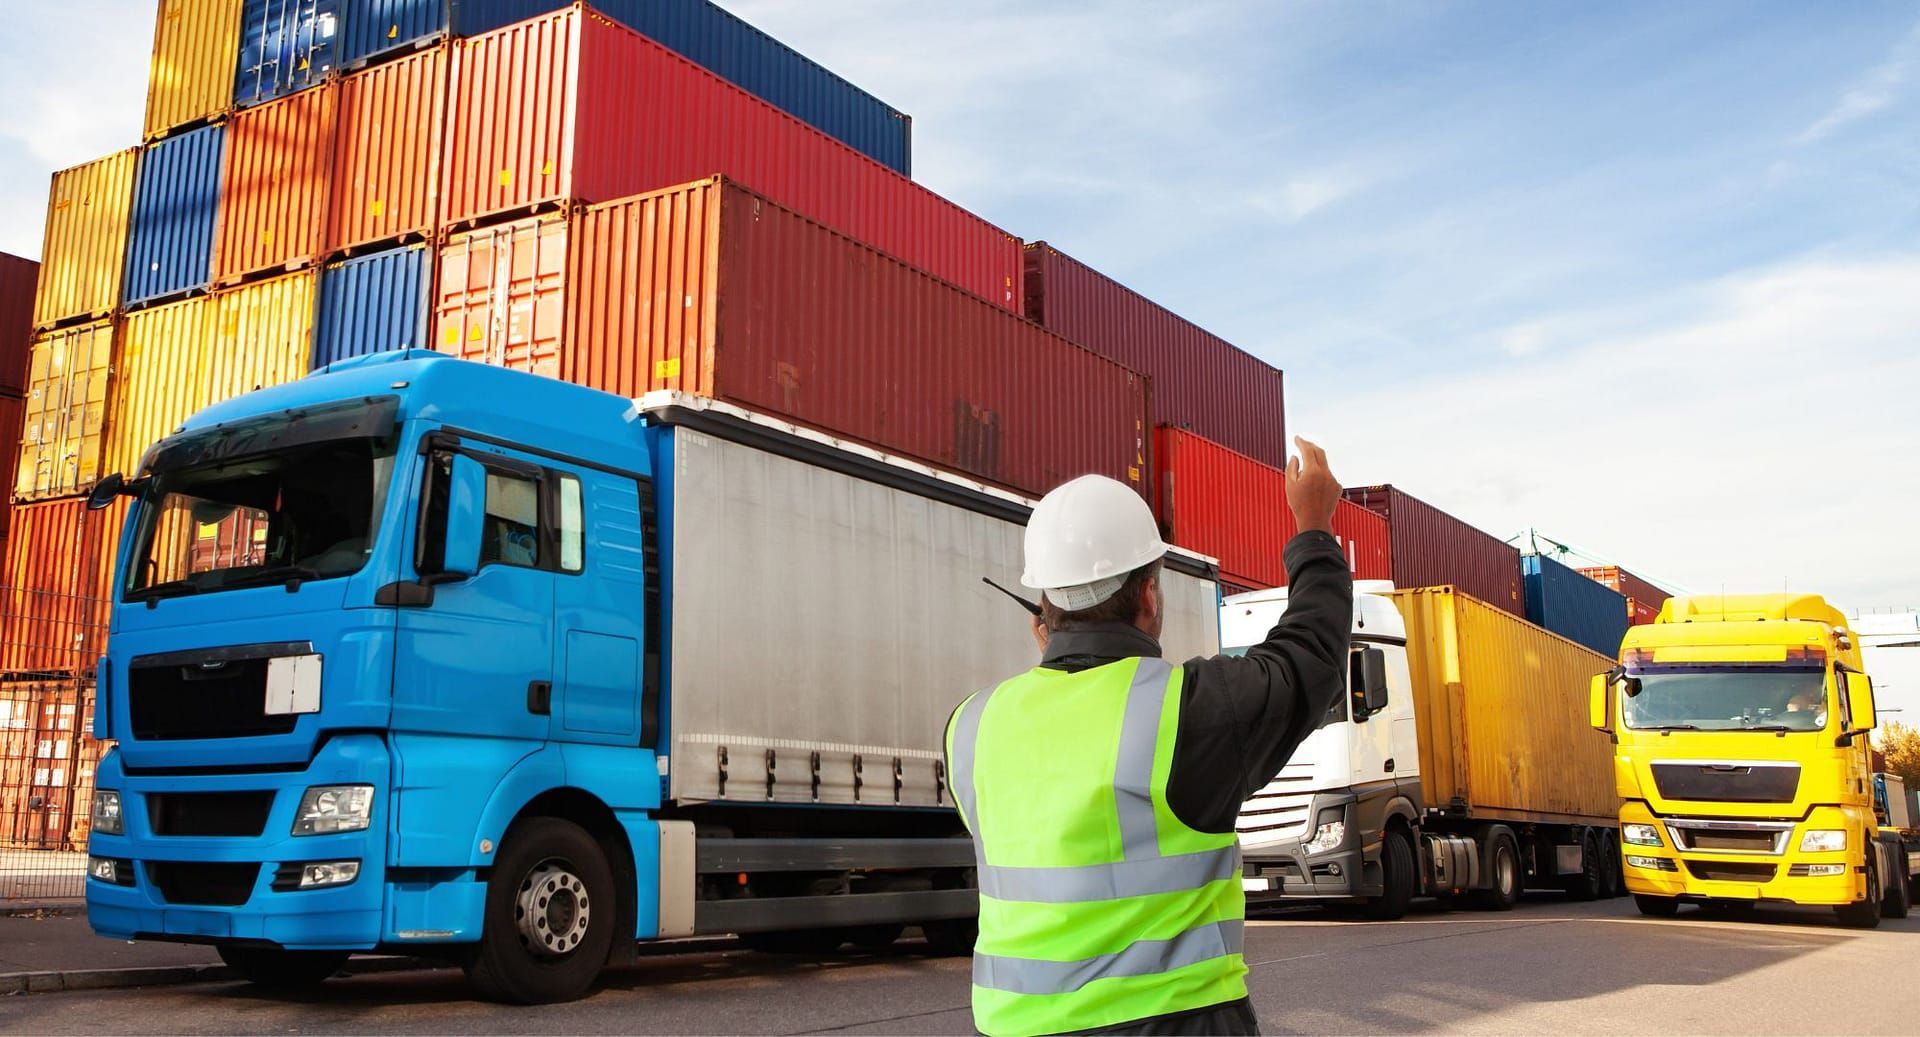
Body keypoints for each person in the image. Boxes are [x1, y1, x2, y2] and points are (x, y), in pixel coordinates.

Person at [946, 437, 1351, 1037]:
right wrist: (1314, 530)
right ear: (1149, 595)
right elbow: (1307, 658)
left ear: (1045, 606)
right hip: (1171, 1024)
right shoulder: (1187, 710)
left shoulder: (971, 725)